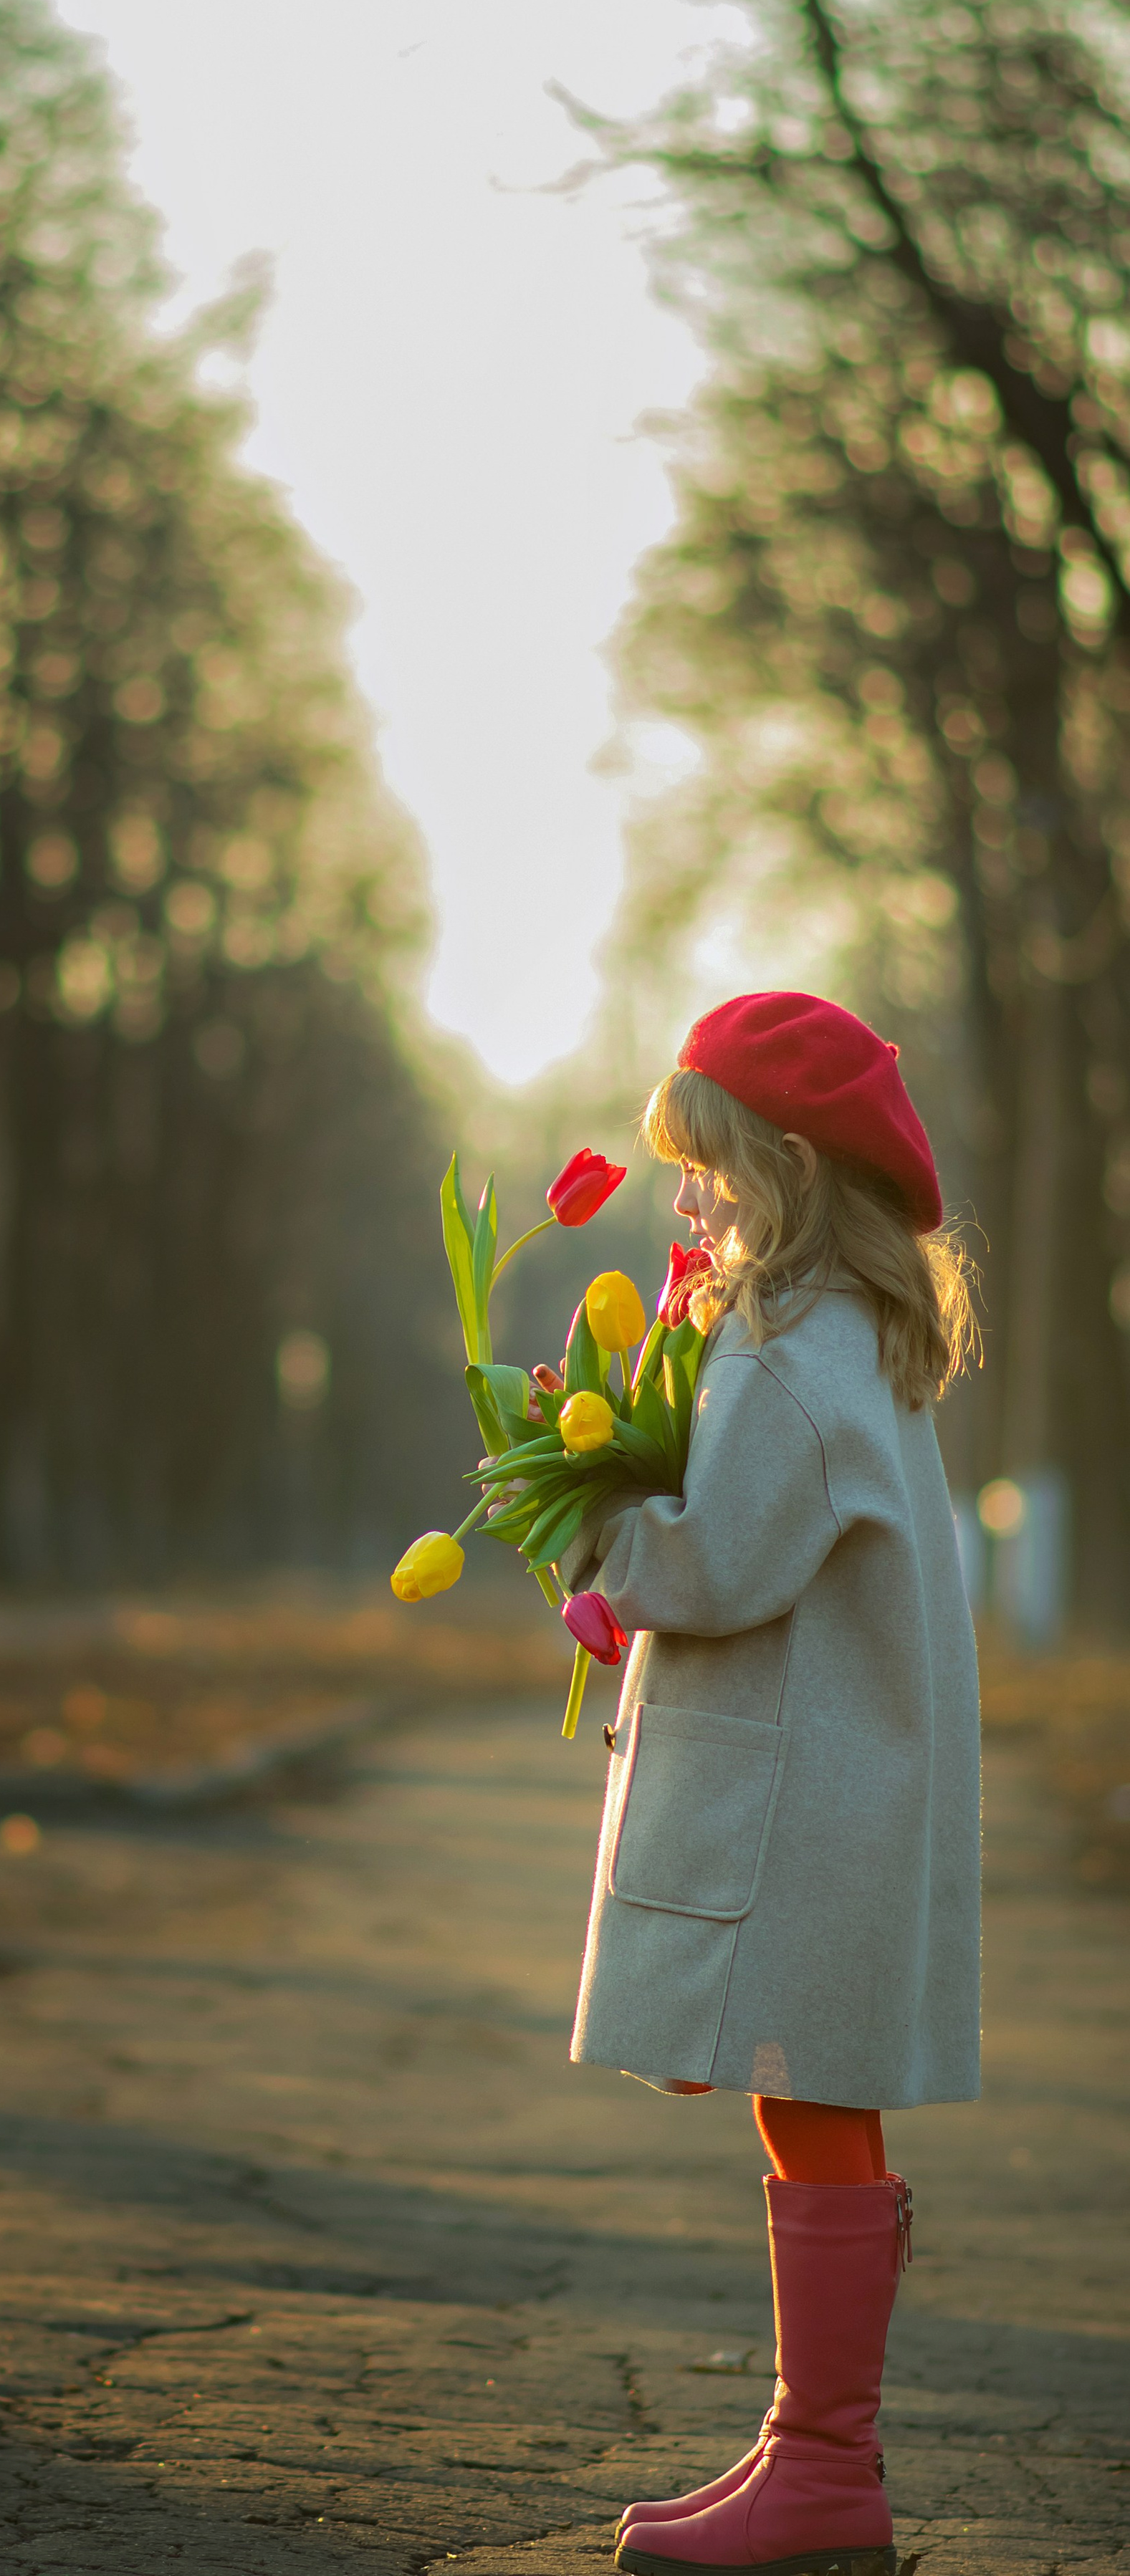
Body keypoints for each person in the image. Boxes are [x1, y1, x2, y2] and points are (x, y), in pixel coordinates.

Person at [560, 991, 980, 2576]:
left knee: (811, 2097)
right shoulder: (833, 1333)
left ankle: (825, 2468)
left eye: (708, 1165)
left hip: (812, 1801)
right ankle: (809, 2450)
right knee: (806, 2098)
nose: (687, 1198)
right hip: (836, 1783)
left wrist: (585, 1519)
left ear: (787, 1169)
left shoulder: (791, 1350)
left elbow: (714, 1561)